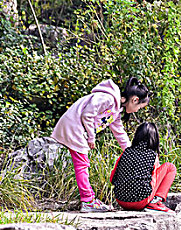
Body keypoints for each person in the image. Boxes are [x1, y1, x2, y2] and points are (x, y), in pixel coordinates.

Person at [51, 77, 150, 212]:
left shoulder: (115, 111)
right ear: (135, 100)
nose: (137, 110)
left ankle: (88, 199)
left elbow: (120, 134)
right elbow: (87, 114)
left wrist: (132, 153)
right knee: (82, 164)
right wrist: (91, 137)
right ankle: (88, 200)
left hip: (78, 129)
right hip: (74, 126)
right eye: (139, 107)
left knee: (82, 164)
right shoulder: (107, 98)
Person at [110, 122, 177, 212]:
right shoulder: (152, 156)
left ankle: (152, 201)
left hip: (121, 200)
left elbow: (112, 179)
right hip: (141, 201)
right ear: (154, 139)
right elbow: (153, 181)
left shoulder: (125, 153)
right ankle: (155, 201)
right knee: (170, 167)